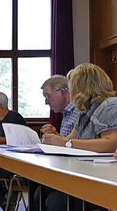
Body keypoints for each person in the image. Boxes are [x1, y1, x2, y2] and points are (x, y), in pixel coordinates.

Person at [41, 63, 117, 211]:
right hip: (90, 173)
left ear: (81, 87)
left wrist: (66, 143)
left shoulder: (111, 105)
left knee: (56, 202)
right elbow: (68, 140)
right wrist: (54, 140)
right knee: (40, 193)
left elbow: (112, 143)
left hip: (111, 178)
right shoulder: (86, 111)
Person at [33, 75, 83, 210]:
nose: (46, 102)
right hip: (66, 169)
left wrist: (58, 139)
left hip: (80, 172)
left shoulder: (81, 112)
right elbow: (69, 142)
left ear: (62, 92)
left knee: (53, 201)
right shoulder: (66, 113)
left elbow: (79, 144)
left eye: (47, 96)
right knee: (38, 193)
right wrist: (56, 136)